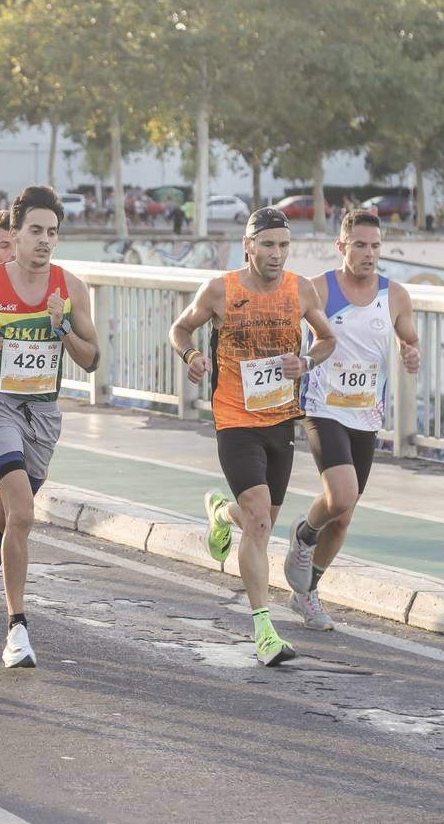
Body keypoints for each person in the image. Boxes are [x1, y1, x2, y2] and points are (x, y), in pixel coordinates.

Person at [167, 206, 336, 666]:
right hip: (235, 418)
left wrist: (308, 363)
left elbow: (326, 338)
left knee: (259, 520)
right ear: (248, 246)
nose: (276, 254)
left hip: (281, 419)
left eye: (283, 245)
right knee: (260, 523)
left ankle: (222, 514)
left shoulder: (299, 289)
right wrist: (192, 356)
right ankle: (264, 630)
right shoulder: (221, 289)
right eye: (267, 245)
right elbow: (180, 328)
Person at [0, 185, 102, 669]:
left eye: (52, 233)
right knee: (23, 512)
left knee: (11, 509)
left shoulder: (71, 287)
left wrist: (62, 329)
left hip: (44, 413)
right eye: (35, 230)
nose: (44, 240)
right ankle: (18, 629)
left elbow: (92, 359)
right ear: (14, 233)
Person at [283, 210, 420, 629]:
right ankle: (304, 534)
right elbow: (288, 328)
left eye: (375, 246)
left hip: (366, 414)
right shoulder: (319, 288)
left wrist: (411, 352)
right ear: (341, 247)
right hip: (323, 407)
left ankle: (307, 593)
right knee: (340, 496)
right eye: (359, 245)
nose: (369, 254)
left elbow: (409, 337)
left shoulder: (394, 295)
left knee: (343, 518)